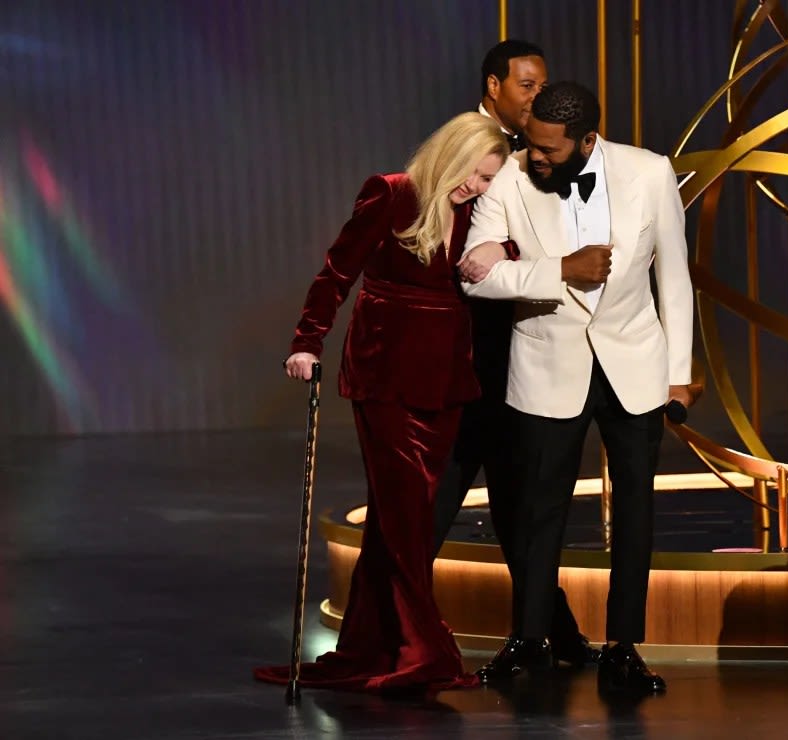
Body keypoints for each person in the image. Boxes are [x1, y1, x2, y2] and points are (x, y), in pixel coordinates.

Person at [253, 112, 509, 692]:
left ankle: (376, 645)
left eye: (491, 178)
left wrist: (502, 247)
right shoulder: (394, 193)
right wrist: (306, 341)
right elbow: (337, 271)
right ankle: (424, 650)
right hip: (386, 368)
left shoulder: (485, 213)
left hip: (446, 375)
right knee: (403, 513)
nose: (478, 185)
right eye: (476, 172)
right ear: (453, 153)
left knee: (406, 516)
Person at [456, 81, 697, 694]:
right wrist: (559, 269)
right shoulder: (509, 179)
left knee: (636, 510)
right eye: (530, 144)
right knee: (539, 512)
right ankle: (529, 639)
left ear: (588, 139)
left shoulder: (648, 172)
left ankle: (623, 647)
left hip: (635, 368)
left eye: (548, 150)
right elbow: (475, 277)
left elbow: (674, 276)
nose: (534, 157)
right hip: (546, 364)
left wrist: (679, 374)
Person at [432, 40, 600, 669]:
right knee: (445, 497)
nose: (538, 96)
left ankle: (551, 632)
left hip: (519, 355)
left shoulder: (544, 160)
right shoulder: (469, 149)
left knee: (518, 503)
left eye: (543, 85)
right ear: (495, 84)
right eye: (527, 86)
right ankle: (390, 630)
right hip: (466, 356)